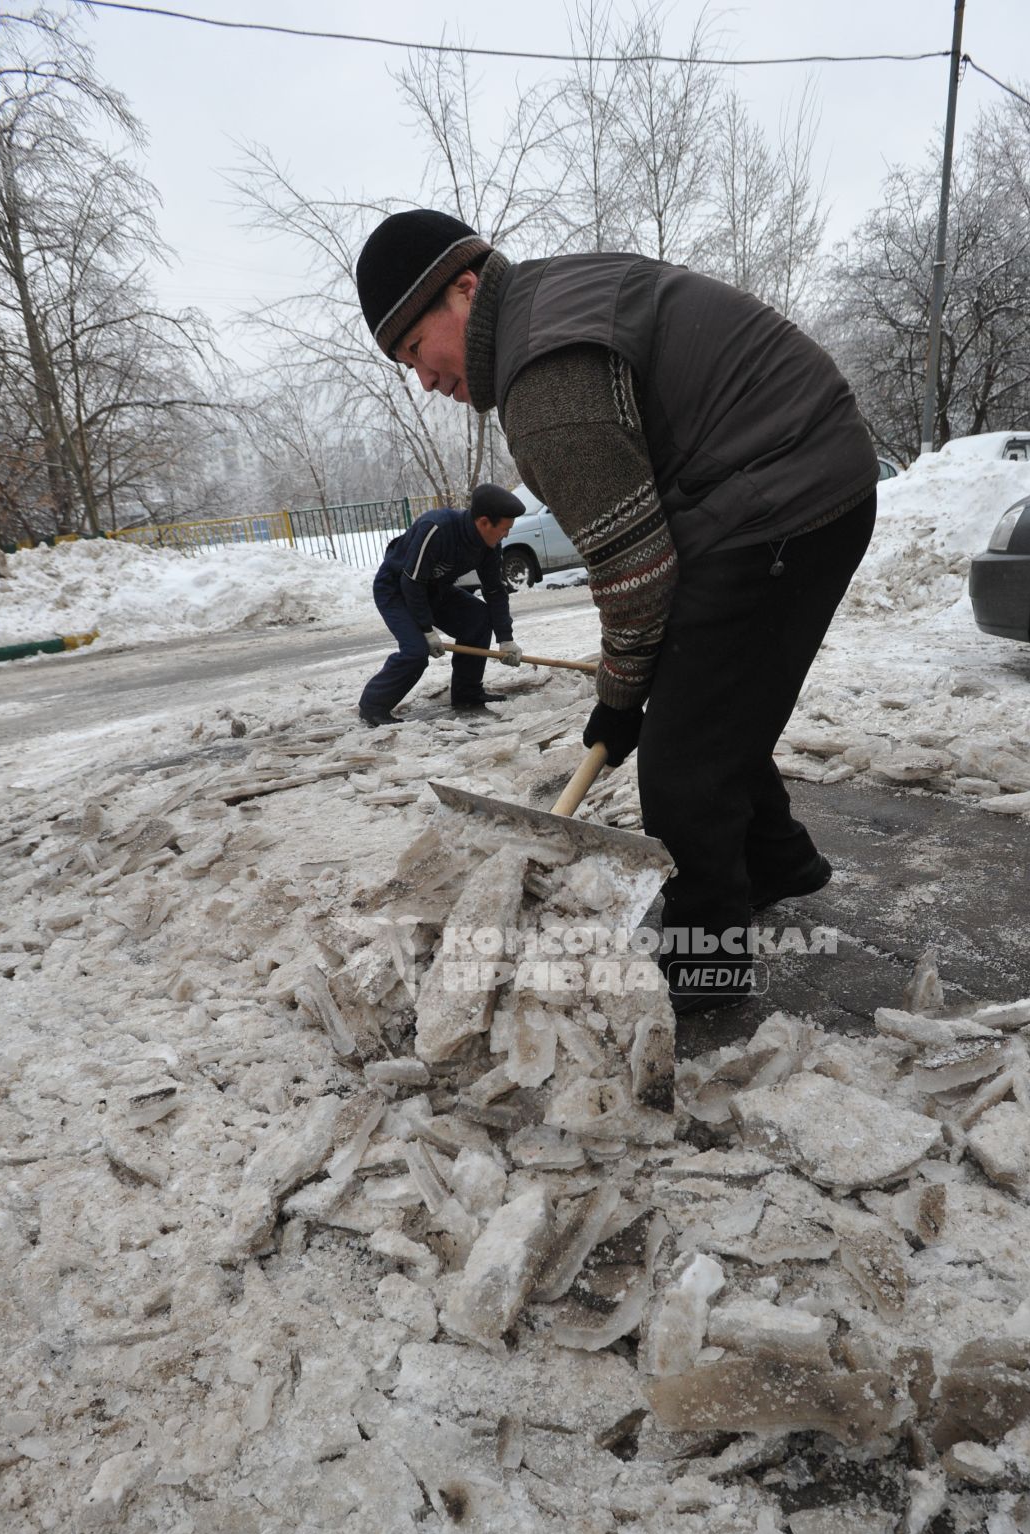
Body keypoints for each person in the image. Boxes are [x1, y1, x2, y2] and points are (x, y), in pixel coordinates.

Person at [355, 212, 877, 1009]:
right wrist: (639, 690)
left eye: (414, 352)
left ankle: (705, 970)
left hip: (779, 494)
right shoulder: (548, 303)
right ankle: (775, 860)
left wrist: (619, 698)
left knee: (680, 766)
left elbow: (636, 577)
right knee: (703, 705)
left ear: (462, 289)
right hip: (782, 473)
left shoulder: (543, 381)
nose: (422, 380)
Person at [360, 481, 526, 725]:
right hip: (396, 588)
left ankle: (467, 694)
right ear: (483, 522)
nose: (506, 534)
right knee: (416, 652)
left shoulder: (489, 546)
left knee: (479, 619)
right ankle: (373, 706)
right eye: (504, 529)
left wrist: (506, 639)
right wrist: (426, 630)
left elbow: (495, 591)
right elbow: (411, 583)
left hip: (434, 590)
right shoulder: (437, 528)